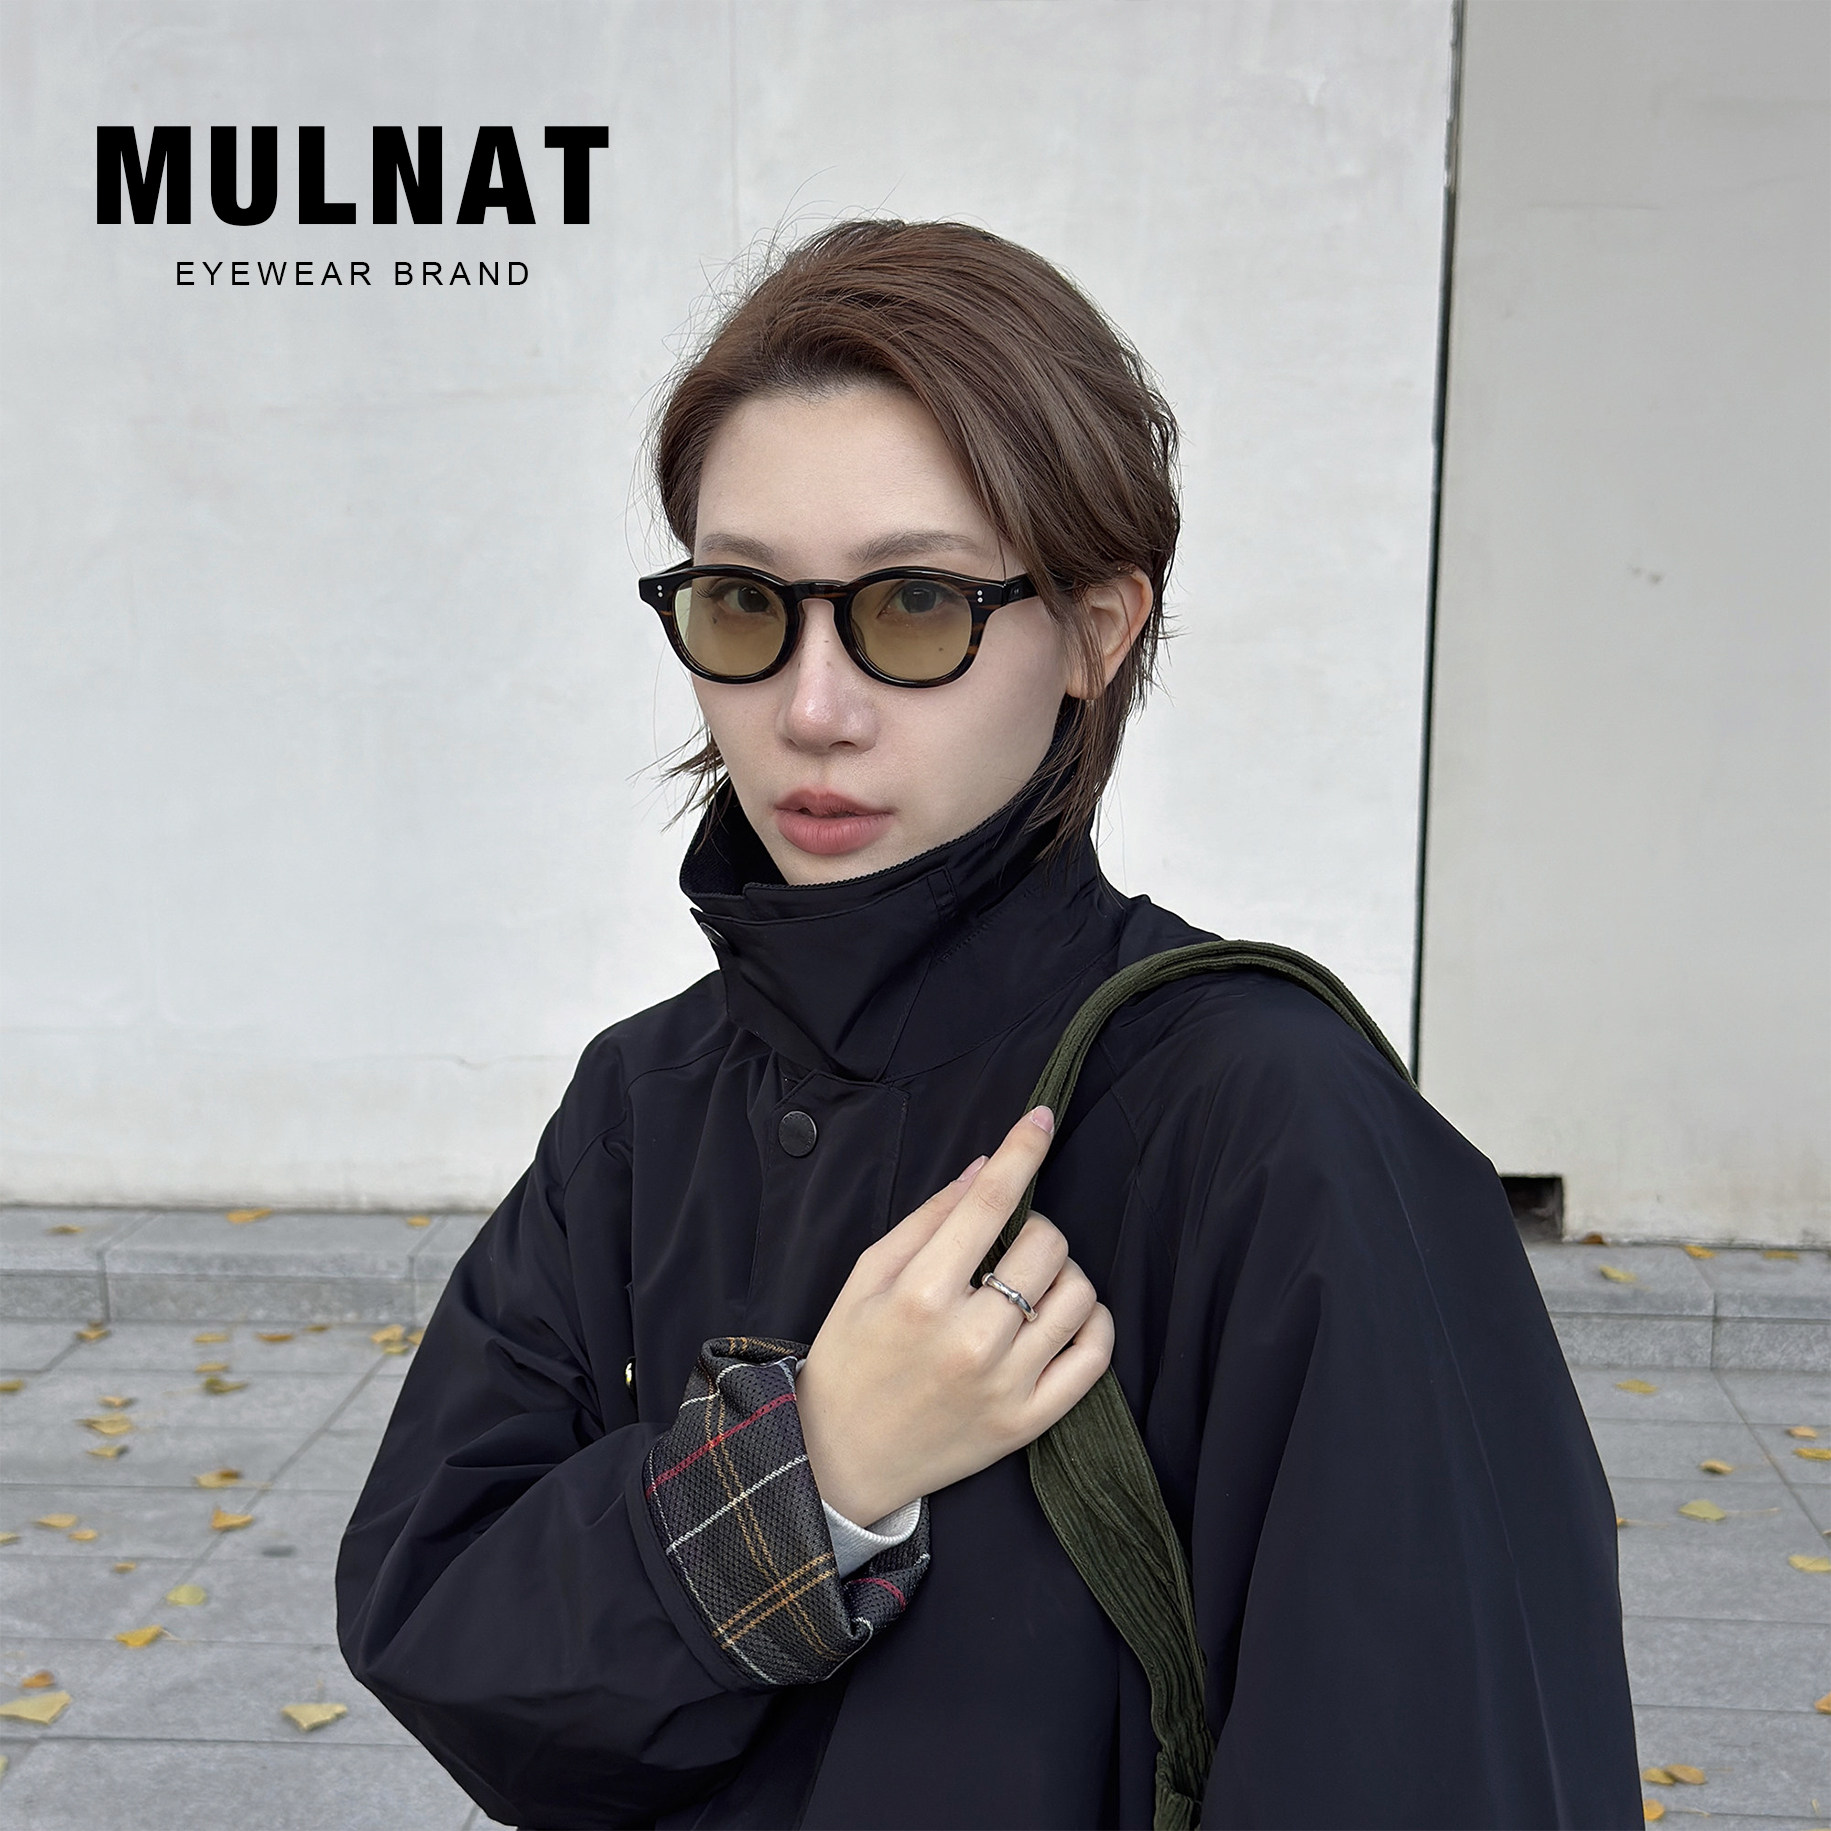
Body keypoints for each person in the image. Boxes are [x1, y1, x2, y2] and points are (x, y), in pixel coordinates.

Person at [336, 219, 1640, 1831]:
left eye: (913, 604)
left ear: (1097, 628)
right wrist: (808, 1476)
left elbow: (1445, 1765)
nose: (811, 707)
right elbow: (447, 1635)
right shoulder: (644, 1104)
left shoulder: (1273, 1129)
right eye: (744, 602)